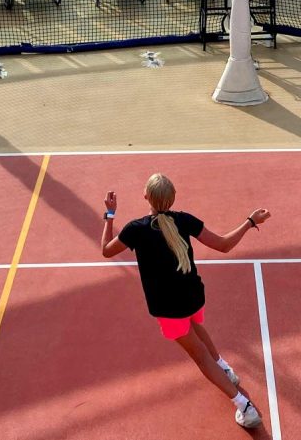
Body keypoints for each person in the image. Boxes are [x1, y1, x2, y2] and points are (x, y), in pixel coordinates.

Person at [100, 173, 271, 429]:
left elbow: (105, 249)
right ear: (173, 198)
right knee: (196, 327)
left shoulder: (136, 229)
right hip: (193, 296)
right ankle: (225, 369)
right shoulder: (184, 220)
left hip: (169, 309)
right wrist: (249, 221)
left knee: (200, 358)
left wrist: (110, 215)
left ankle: (243, 407)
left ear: (146, 196)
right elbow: (224, 245)